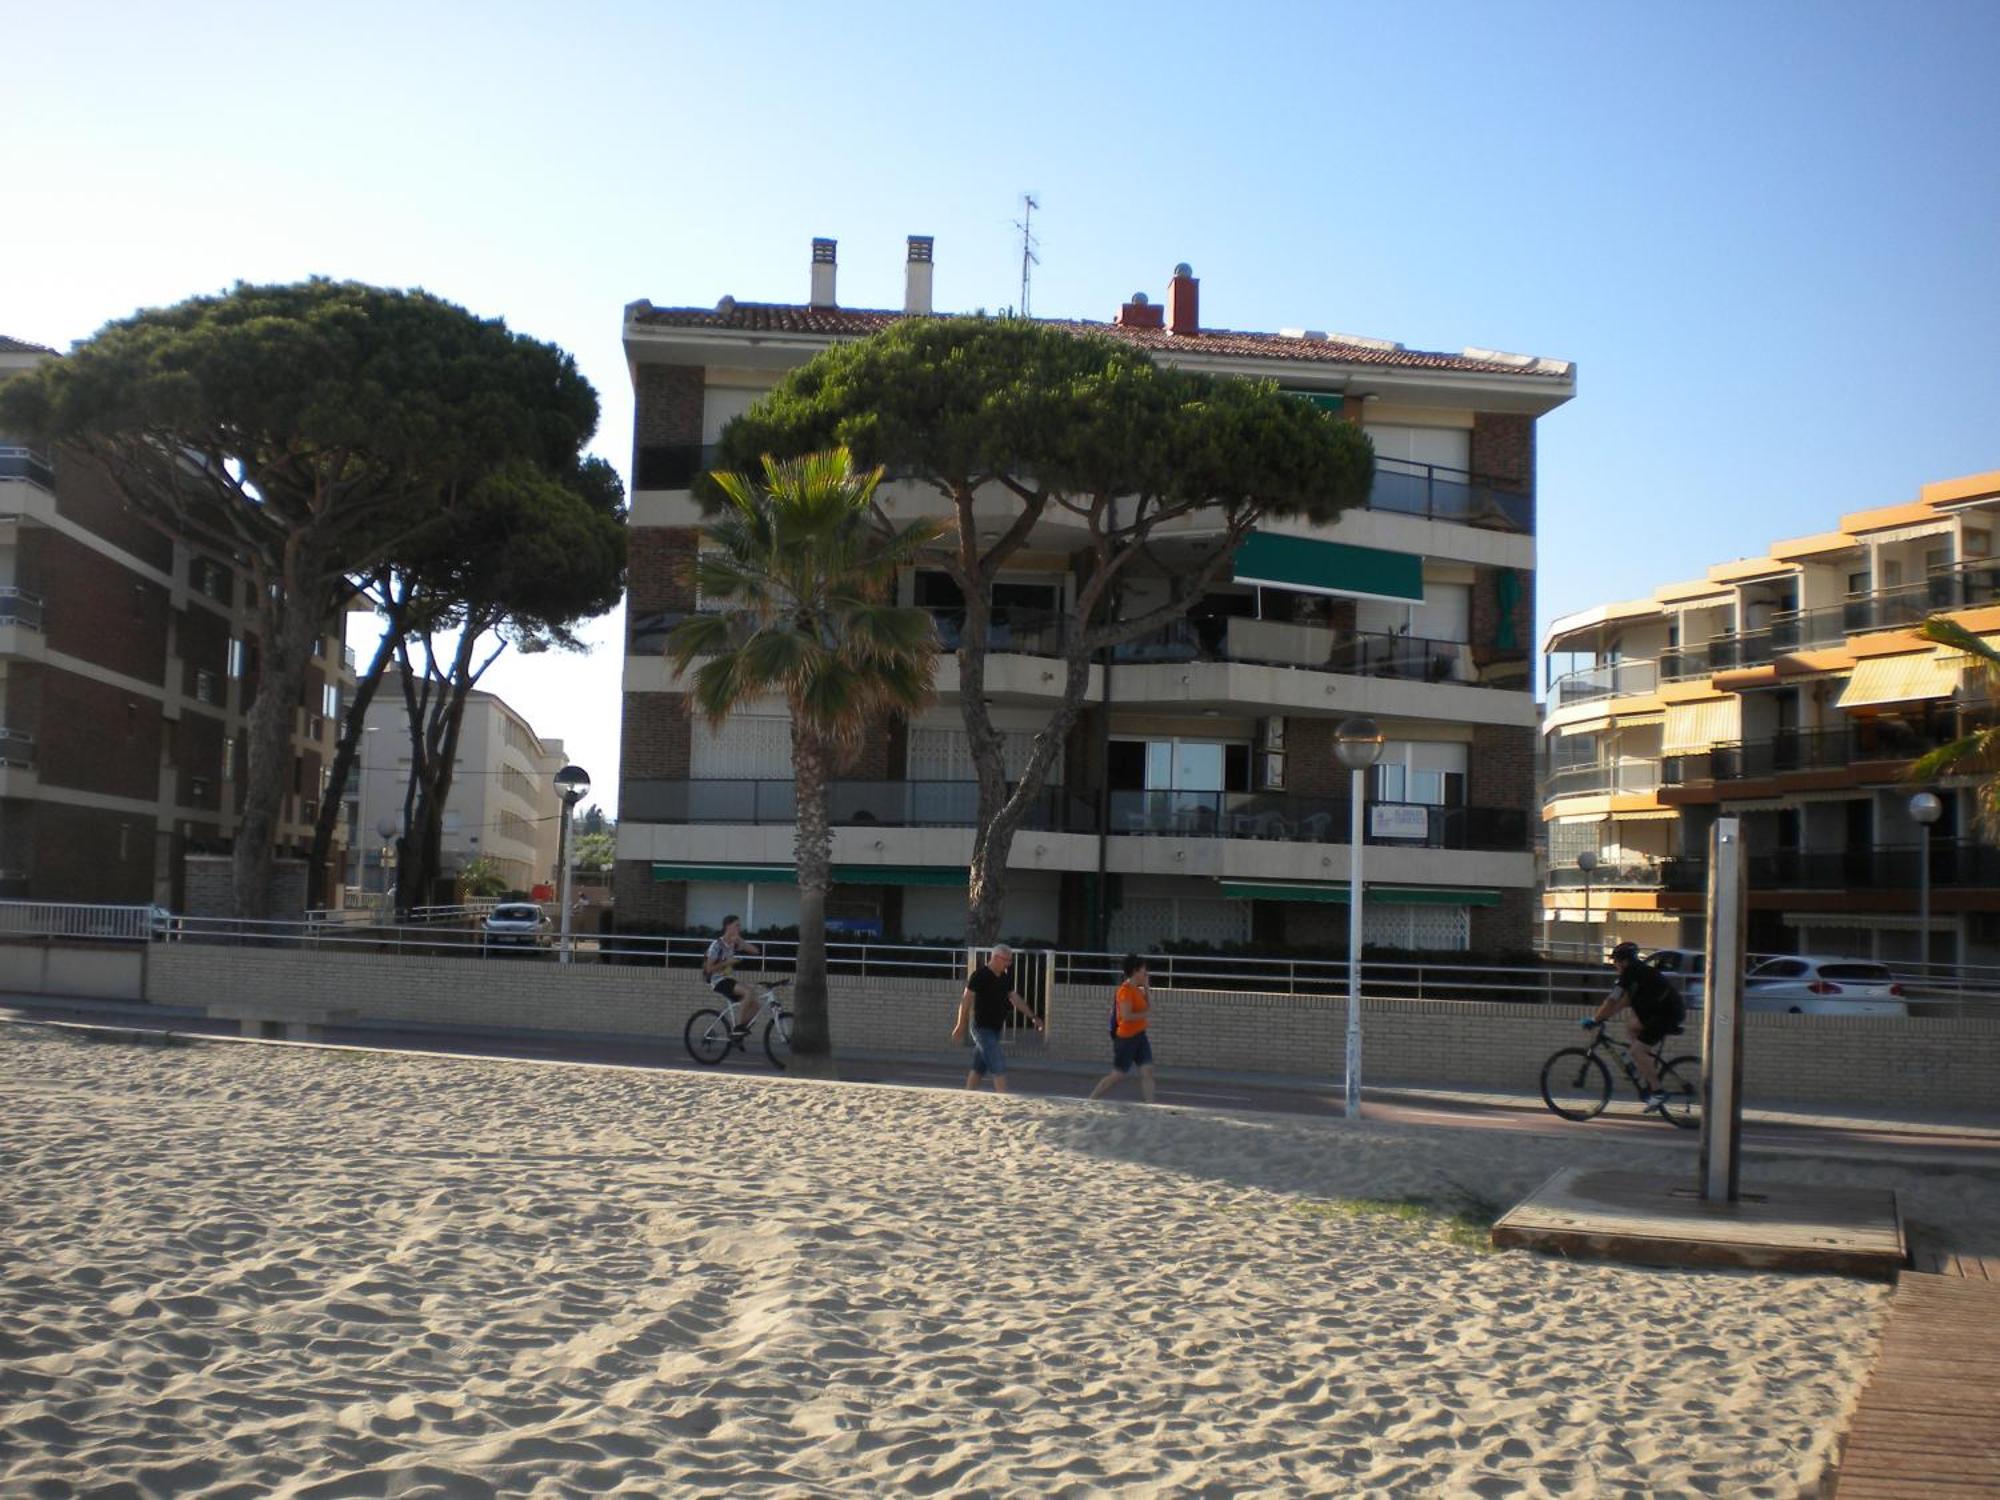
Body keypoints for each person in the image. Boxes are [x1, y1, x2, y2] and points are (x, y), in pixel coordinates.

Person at [1583, 941, 1686, 1110]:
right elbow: (1624, 1002)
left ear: (1624, 961)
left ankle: (1658, 1091)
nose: (1615, 965)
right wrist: (1603, 1017)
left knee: (1637, 1050)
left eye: (1616, 961)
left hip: (1665, 1015)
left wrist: (1596, 1020)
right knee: (1632, 1026)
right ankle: (1645, 1067)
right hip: (1663, 1012)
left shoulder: (1629, 974)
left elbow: (1612, 1000)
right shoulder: (1639, 972)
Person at [950, 944, 1044, 1093]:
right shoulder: (980, 975)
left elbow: (1015, 999)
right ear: (995, 958)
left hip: (995, 1028)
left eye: (1010, 961)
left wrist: (1033, 1016)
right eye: (1006, 960)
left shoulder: (1005, 977)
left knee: (979, 1065)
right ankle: (1003, 1097)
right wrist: (960, 1024)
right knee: (996, 1060)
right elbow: (966, 1000)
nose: (1008, 964)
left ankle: (968, 1094)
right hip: (981, 1027)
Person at [1089, 953, 1157, 1103]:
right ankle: (1092, 1099)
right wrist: (1145, 1014)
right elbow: (1126, 1015)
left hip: (1140, 1036)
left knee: (1147, 1071)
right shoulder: (1125, 990)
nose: (1146, 972)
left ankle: (1151, 1105)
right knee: (1117, 1074)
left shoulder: (1138, 990)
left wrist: (1146, 987)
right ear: (1135, 970)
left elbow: (1151, 1006)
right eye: (1143, 969)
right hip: (1126, 1039)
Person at [703, 915, 762, 1032]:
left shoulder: (733, 943)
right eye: (737, 925)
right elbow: (709, 969)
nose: (739, 928)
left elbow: (756, 951)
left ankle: (739, 1034)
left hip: (728, 979)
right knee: (749, 992)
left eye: (739, 926)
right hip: (718, 981)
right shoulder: (717, 945)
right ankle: (738, 1028)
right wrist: (727, 963)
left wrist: (741, 941)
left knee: (755, 1006)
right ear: (728, 926)